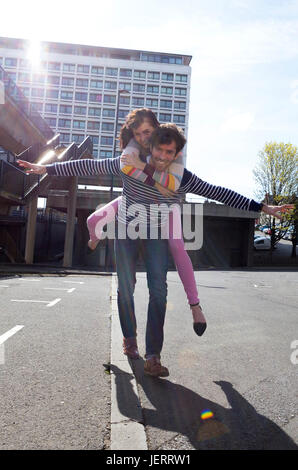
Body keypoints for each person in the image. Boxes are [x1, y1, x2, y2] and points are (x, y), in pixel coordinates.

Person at [17, 124, 294, 377]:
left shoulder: (182, 178)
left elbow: (218, 191)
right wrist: (47, 169)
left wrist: (262, 207)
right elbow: (91, 165)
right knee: (126, 289)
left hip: (156, 234)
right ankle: (130, 339)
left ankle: (153, 357)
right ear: (152, 148)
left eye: (169, 153)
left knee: (158, 292)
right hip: (127, 228)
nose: (162, 157)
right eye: (159, 150)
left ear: (176, 154)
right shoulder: (129, 164)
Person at [85, 109, 203, 336]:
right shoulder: (131, 149)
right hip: (133, 202)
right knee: (94, 220)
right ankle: (93, 239)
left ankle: (195, 306)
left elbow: (177, 183)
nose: (143, 137)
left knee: (177, 247)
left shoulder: (169, 146)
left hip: (165, 207)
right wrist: (47, 169)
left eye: (147, 131)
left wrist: (262, 207)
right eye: (138, 133)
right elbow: (96, 166)